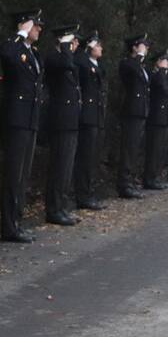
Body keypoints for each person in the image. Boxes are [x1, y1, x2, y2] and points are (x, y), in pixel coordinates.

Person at [0, 9, 45, 243]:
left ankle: (17, 220)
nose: (39, 29)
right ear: (24, 25)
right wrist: (20, 33)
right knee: (13, 174)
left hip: (29, 119)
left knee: (23, 174)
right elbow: (7, 56)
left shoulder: (32, 53)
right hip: (16, 119)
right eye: (35, 25)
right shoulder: (12, 46)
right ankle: (8, 225)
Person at [43, 24, 82, 226]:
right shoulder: (54, 58)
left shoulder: (67, 59)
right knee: (59, 166)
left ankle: (62, 206)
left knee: (66, 167)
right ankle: (54, 208)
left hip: (70, 120)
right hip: (60, 119)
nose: (75, 45)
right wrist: (65, 47)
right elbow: (65, 64)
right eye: (72, 41)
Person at [74, 31, 107, 211]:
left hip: (96, 114)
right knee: (85, 156)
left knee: (92, 156)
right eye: (98, 45)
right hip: (87, 114)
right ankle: (83, 194)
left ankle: (89, 191)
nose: (101, 48)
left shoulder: (96, 65)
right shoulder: (82, 62)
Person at [116, 34, 151, 199]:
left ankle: (131, 180)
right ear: (134, 47)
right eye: (142, 45)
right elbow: (131, 72)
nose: (146, 49)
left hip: (140, 111)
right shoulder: (128, 63)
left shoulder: (141, 66)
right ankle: (124, 184)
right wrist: (138, 57)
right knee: (128, 149)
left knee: (135, 148)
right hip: (131, 111)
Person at [144, 51, 168, 190]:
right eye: (164, 61)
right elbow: (164, 89)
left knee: (160, 148)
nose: (167, 63)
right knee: (153, 149)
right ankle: (150, 178)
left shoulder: (164, 76)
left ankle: (155, 176)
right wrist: (161, 70)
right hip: (156, 116)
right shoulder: (156, 75)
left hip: (163, 116)